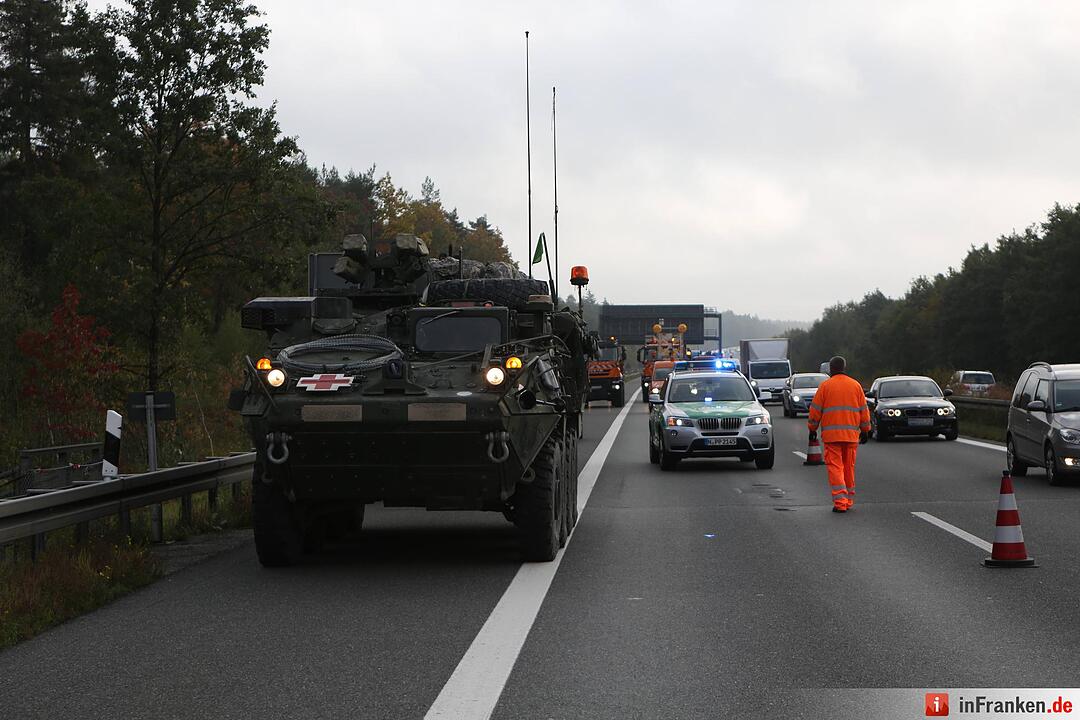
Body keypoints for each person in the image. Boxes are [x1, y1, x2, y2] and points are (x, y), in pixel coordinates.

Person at [807, 356, 870, 513]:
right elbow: (864, 410)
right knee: (849, 468)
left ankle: (840, 502)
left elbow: (815, 410)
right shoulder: (855, 385)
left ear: (831, 368)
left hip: (832, 437)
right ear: (844, 367)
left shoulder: (825, 386)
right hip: (851, 436)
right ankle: (848, 500)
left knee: (836, 468)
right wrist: (865, 430)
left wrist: (812, 429)